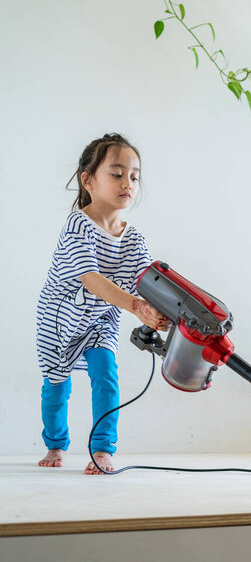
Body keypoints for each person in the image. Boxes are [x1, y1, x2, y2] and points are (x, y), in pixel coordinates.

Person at [36, 133, 170, 474]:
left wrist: (161, 309)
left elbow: (149, 280)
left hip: (100, 319)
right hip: (59, 318)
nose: (128, 183)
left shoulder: (134, 237)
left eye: (135, 176)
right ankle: (55, 443)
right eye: (117, 173)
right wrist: (136, 307)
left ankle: (103, 448)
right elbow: (91, 278)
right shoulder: (77, 225)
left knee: (106, 376)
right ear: (88, 180)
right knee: (56, 385)